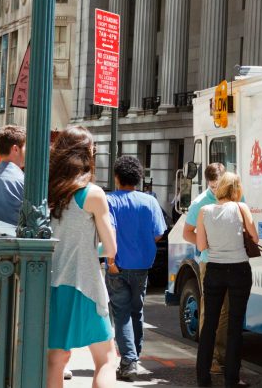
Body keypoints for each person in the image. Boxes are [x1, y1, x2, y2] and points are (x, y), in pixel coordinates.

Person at [46, 127, 118, 388]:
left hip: (49, 285)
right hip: (84, 285)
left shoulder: (43, 191)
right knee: (107, 359)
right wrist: (91, 248)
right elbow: (110, 249)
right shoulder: (93, 195)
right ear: (88, 154)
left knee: (56, 359)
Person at [105, 156, 167, 380]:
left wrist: (110, 262)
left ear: (117, 177)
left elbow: (107, 232)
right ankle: (134, 356)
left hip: (117, 265)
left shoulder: (109, 200)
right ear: (138, 178)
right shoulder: (149, 201)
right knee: (136, 311)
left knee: (121, 313)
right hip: (142, 265)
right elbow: (159, 233)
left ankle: (129, 359)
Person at [195, 172, 258, 387]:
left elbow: (201, 247)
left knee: (210, 324)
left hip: (214, 270)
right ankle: (231, 379)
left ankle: (203, 378)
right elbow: (255, 238)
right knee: (234, 324)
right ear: (236, 189)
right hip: (239, 270)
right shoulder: (242, 208)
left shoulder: (204, 211)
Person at [183, 163, 231, 374]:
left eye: (218, 185)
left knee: (225, 312)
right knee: (210, 311)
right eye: (212, 186)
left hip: (231, 262)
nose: (215, 189)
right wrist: (205, 244)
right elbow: (187, 233)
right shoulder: (200, 203)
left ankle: (220, 356)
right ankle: (210, 358)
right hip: (209, 262)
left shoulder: (235, 195)